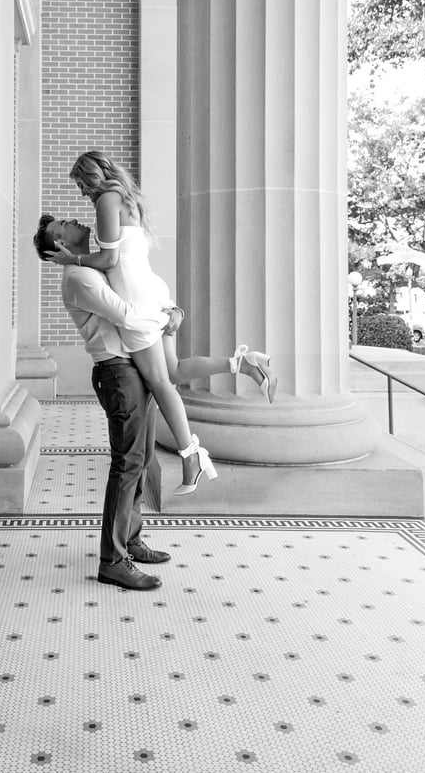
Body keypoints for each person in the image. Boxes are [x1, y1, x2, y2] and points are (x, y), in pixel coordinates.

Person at [43, 150, 278, 493]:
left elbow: (109, 259)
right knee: (175, 370)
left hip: (136, 299)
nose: (81, 192)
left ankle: (190, 457)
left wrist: (73, 258)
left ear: (92, 175)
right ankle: (244, 363)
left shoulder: (106, 199)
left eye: (80, 183)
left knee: (160, 382)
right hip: (149, 287)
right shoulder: (124, 197)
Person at [34, 213, 182, 591]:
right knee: (127, 462)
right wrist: (164, 317)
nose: (70, 221)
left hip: (132, 367)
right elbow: (128, 315)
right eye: (61, 227)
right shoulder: (80, 278)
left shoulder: (95, 266)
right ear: (61, 246)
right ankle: (113, 560)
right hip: (118, 373)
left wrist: (171, 309)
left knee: (142, 458)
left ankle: (130, 539)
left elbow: (139, 291)